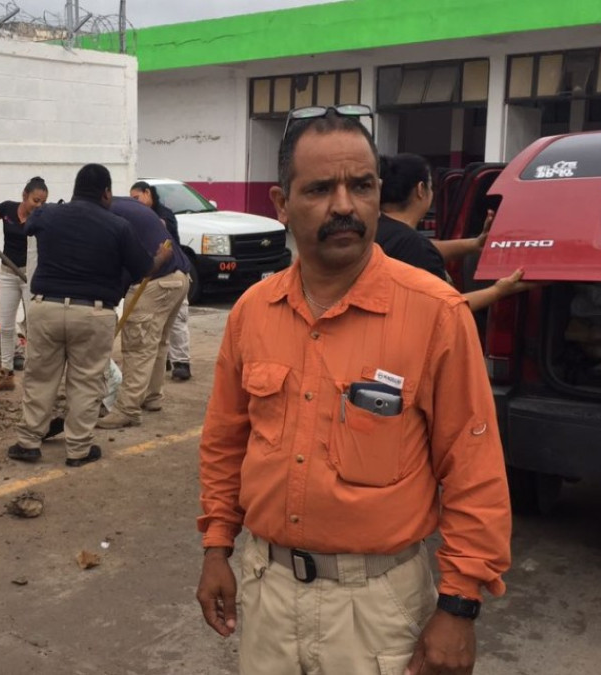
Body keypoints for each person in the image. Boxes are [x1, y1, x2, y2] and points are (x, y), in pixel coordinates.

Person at [196, 108, 512, 675]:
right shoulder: (252, 313)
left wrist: (459, 606)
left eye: (361, 186)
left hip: (376, 607)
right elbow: (225, 442)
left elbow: (474, 467)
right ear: (281, 203)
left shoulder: (435, 314)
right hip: (266, 591)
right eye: (320, 188)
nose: (344, 205)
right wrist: (217, 547)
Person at [5, 164, 163, 467]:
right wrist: (161, 258)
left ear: (75, 190)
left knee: (40, 377)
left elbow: (28, 224)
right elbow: (143, 269)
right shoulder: (118, 226)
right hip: (93, 313)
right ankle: (78, 449)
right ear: (106, 192)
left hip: (46, 308)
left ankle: (27, 443)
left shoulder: (48, 213)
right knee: (86, 381)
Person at [378, 153, 531, 312]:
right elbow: (447, 309)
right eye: (432, 186)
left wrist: (475, 244)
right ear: (421, 189)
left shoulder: (374, 230)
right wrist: (498, 291)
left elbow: (418, 248)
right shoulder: (414, 246)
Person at [97, 196, 192, 429]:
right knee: (157, 342)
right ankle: (152, 397)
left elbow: (119, 263)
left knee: (138, 346)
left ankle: (127, 409)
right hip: (179, 278)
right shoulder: (127, 206)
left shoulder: (109, 217)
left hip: (156, 281)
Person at [0, 177, 49, 392]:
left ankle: (36, 378)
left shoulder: (42, 218)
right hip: (7, 273)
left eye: (43, 202)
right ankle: (6, 375)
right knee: (6, 326)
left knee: (34, 326)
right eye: (36, 200)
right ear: (24, 196)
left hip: (31, 276)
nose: (39, 206)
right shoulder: (7, 209)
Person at [132, 181, 192, 381]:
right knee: (155, 323)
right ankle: (163, 360)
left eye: (136, 198)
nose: (135, 203)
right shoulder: (140, 216)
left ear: (147, 193)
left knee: (177, 320)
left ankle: (181, 361)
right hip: (154, 276)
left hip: (175, 272)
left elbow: (163, 227)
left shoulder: (163, 214)